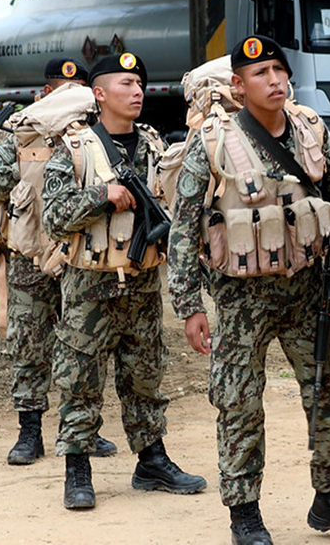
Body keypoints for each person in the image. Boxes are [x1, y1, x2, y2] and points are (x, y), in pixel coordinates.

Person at [167, 35, 330, 545]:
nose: (276, 80)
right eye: (261, 74)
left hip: (308, 292)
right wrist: (189, 304)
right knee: (239, 402)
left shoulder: (311, 129)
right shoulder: (214, 140)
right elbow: (185, 224)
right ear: (238, 85)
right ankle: (244, 512)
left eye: (281, 70)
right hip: (242, 299)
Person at [42, 52, 206, 510]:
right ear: (99, 94)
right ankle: (77, 468)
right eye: (125, 84)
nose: (136, 92)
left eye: (139, 84)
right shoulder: (75, 149)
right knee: (80, 379)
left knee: (146, 375)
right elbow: (52, 218)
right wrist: (102, 196)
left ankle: (151, 460)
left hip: (143, 285)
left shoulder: (156, 147)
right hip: (89, 289)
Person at [0, 57, 117, 465]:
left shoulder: (95, 139)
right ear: (45, 95)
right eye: (60, 91)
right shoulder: (21, 138)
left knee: (83, 346)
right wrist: (22, 161)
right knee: (30, 345)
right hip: (28, 260)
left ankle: (83, 429)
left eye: (75, 92)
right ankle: (29, 432)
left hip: (78, 259)